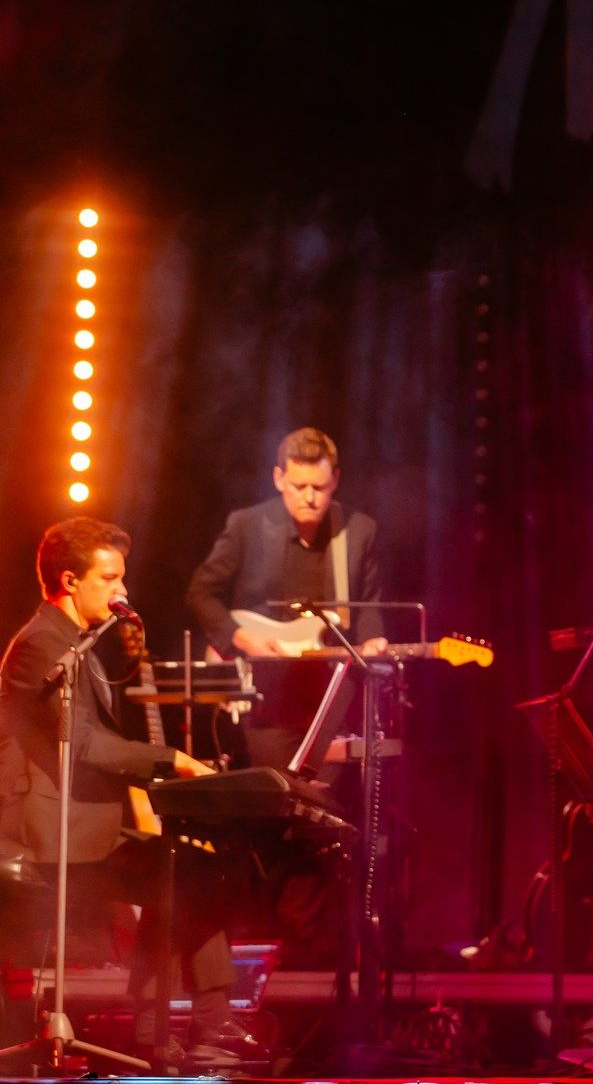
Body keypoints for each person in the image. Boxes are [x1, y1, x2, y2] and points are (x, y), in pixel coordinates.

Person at [0, 518, 262, 1068]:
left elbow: (102, 733)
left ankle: (184, 1025)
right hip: (50, 835)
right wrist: (170, 761)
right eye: (110, 577)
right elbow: (88, 745)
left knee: (189, 867)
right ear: (70, 581)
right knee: (181, 871)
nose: (122, 589)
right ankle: (175, 1026)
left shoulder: (75, 641)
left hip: (88, 822)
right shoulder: (38, 647)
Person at [185, 426, 382, 965]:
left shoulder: (358, 532)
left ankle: (305, 954)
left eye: (319, 487)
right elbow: (201, 592)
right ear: (279, 478)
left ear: (335, 480)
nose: (309, 499)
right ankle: (278, 945)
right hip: (264, 706)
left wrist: (376, 641)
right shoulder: (248, 526)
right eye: (297, 487)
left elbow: (369, 611)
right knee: (279, 817)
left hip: (326, 706)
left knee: (320, 822)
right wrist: (241, 637)